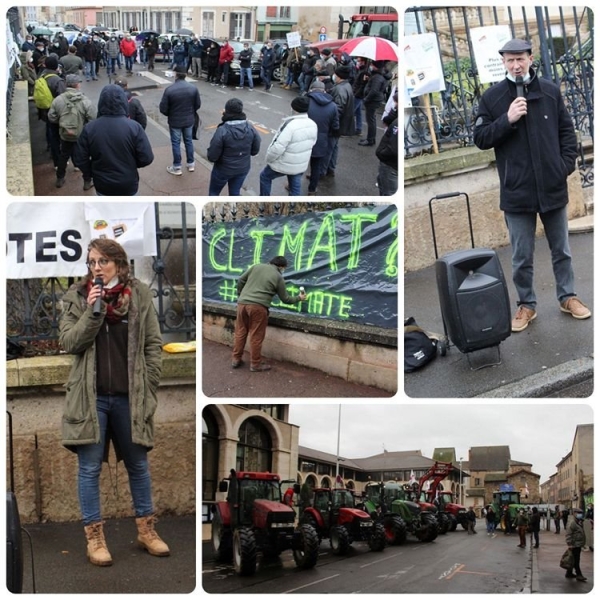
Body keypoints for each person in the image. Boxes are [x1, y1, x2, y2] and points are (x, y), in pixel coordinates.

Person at [58, 238, 169, 567]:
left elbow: (152, 344)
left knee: (138, 466)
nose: (96, 268)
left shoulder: (140, 295)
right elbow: (69, 342)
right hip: (90, 398)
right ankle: (95, 538)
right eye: (92, 262)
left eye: (103, 261)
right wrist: (94, 312)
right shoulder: (77, 297)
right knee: (89, 468)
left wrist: (149, 386)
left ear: (120, 265)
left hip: (128, 397)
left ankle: (146, 530)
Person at [473, 38, 590, 331]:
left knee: (561, 250)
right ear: (503, 62)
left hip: (552, 187)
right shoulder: (493, 98)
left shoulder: (549, 91)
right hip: (517, 192)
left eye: (520, 59)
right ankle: (526, 305)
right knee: (521, 255)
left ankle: (568, 296)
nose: (515, 65)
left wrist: (563, 167)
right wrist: (507, 119)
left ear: (530, 58)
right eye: (510, 60)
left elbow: (567, 132)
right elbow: (481, 138)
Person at [73, 84, 154, 194]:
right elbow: (146, 157)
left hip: (102, 183)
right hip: (128, 182)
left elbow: (79, 158)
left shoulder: (90, 128)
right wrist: (131, 165)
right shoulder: (134, 127)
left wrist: (91, 172)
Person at [231, 255, 307, 372]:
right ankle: (255, 364)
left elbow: (241, 280)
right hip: (258, 307)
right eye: (284, 268)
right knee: (256, 336)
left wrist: (240, 295)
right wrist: (299, 298)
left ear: (270, 262)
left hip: (242, 304)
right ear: (281, 267)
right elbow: (285, 299)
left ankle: (236, 359)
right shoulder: (278, 277)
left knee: (240, 332)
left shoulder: (256, 266)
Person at [259, 96, 318, 196]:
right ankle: (293, 208)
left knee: (265, 177)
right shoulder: (313, 124)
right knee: (295, 186)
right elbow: (313, 142)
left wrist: (269, 159)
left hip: (283, 163)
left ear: (294, 109)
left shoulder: (290, 125)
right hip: (300, 164)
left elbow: (278, 147)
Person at [48, 74, 96, 188]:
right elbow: (93, 119)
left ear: (66, 84)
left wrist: (62, 123)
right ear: (77, 85)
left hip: (65, 134)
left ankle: (60, 178)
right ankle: (87, 181)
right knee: (84, 158)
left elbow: (51, 117)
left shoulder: (58, 100)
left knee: (63, 156)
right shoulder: (85, 100)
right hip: (81, 135)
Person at [206, 98, 261, 196]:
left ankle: (212, 210)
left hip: (223, 169)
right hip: (242, 168)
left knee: (214, 193)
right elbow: (255, 150)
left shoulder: (222, 130)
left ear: (226, 111)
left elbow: (212, 156)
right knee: (235, 192)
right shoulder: (250, 128)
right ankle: (234, 210)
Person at [159, 64, 201, 176]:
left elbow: (163, 108)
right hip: (189, 120)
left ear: (175, 74)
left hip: (175, 121)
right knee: (188, 141)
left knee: (176, 143)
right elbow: (198, 105)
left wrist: (171, 114)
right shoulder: (193, 88)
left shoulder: (170, 90)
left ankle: (177, 167)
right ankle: (191, 163)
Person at [306, 79, 339, 195]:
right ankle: (312, 189)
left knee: (299, 163)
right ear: (324, 91)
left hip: (305, 138)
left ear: (311, 89)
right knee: (316, 166)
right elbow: (335, 126)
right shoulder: (333, 106)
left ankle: (292, 185)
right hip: (321, 140)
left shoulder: (306, 101)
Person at [324, 64, 355, 177]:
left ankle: (323, 171)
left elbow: (338, 108)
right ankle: (331, 168)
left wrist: (331, 122)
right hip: (342, 123)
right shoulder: (346, 85)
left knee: (329, 148)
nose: (333, 76)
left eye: (335, 74)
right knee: (334, 147)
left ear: (339, 76)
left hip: (336, 124)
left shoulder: (340, 88)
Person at [359, 61, 391, 146]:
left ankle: (370, 139)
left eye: (372, 65)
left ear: (376, 66)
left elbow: (374, 91)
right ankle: (370, 138)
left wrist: (366, 99)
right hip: (374, 100)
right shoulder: (377, 76)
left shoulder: (378, 77)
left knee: (371, 121)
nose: (371, 66)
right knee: (371, 120)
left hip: (372, 101)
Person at [375, 90, 398, 196]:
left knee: (388, 192)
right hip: (390, 163)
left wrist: (382, 154)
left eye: (397, 102)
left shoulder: (398, 123)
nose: (395, 104)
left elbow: (393, 149)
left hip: (390, 164)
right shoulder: (396, 117)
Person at [565, 509, 587, 581]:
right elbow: (568, 534)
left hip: (578, 544)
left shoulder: (579, 522)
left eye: (581, 513)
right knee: (576, 560)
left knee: (573, 559)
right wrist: (570, 544)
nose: (580, 514)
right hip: (574, 544)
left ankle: (569, 573)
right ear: (574, 513)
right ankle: (579, 574)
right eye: (578, 513)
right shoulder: (572, 522)